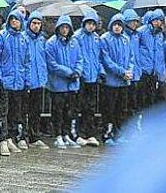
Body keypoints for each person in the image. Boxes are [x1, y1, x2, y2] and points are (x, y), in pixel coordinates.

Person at [0, 9, 28, 156]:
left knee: (15, 112)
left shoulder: (23, 39)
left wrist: (26, 80)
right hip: (4, 81)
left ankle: (11, 138)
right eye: (12, 19)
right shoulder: (1, 36)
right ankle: (2, 140)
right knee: (3, 112)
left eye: (17, 19)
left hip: (18, 82)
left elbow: (27, 61)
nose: (14, 21)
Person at [45, 15, 83, 149]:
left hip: (72, 84)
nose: (65, 30)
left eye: (67, 27)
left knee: (69, 111)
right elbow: (52, 64)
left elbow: (80, 58)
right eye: (63, 27)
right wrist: (69, 72)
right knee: (58, 111)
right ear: (58, 28)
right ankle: (58, 135)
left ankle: (66, 134)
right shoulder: (51, 43)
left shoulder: (74, 42)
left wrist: (77, 71)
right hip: (58, 84)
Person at [99, 14, 134, 145]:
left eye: (120, 25)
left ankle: (119, 133)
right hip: (110, 82)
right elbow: (106, 60)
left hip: (123, 82)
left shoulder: (126, 39)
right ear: (111, 25)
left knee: (121, 109)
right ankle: (107, 134)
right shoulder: (105, 39)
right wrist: (122, 72)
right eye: (115, 24)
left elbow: (131, 57)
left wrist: (129, 71)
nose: (117, 27)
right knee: (109, 109)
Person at [74, 10, 102, 147]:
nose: (91, 26)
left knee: (90, 107)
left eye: (93, 24)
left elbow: (98, 57)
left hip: (93, 76)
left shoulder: (96, 38)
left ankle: (90, 133)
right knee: (79, 105)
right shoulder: (77, 37)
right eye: (89, 23)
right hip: (81, 77)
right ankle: (79, 133)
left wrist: (99, 72)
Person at [23, 11, 49, 150]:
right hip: (27, 80)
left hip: (39, 80)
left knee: (36, 110)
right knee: (23, 110)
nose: (36, 26)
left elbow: (44, 59)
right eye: (34, 23)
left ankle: (34, 136)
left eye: (39, 23)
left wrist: (44, 77)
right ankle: (22, 136)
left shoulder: (42, 40)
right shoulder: (24, 38)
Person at [137, 8, 166, 108]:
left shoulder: (159, 34)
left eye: (160, 20)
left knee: (151, 97)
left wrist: (161, 72)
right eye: (156, 20)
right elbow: (135, 50)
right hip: (144, 70)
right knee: (141, 97)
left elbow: (160, 54)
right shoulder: (141, 32)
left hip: (154, 71)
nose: (158, 22)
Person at [123, 9, 142, 118]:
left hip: (136, 73)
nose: (135, 24)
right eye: (133, 21)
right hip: (126, 74)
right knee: (126, 101)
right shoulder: (124, 36)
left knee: (135, 101)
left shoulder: (137, 35)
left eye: (136, 21)